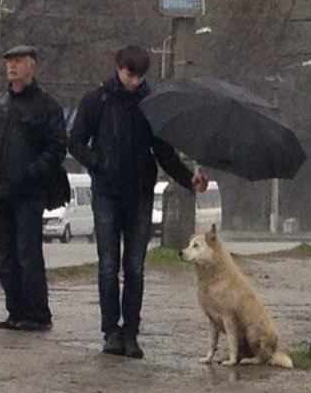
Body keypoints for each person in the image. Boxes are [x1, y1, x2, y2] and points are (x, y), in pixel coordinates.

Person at [68, 44, 208, 358]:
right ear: (118, 68)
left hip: (140, 193)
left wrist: (188, 179)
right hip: (106, 192)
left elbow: (163, 152)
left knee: (135, 266)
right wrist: (98, 162)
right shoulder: (97, 99)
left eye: (139, 76)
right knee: (107, 266)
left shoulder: (150, 103)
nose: (134, 82)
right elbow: (75, 141)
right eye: (130, 75)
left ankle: (131, 331)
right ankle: (111, 332)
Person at [0, 45, 67, 331]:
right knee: (5, 255)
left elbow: (57, 147)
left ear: (31, 67)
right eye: (9, 62)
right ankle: (15, 310)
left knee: (28, 254)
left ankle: (37, 313)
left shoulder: (47, 105)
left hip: (29, 192)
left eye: (18, 62)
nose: (11, 67)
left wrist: (32, 173)